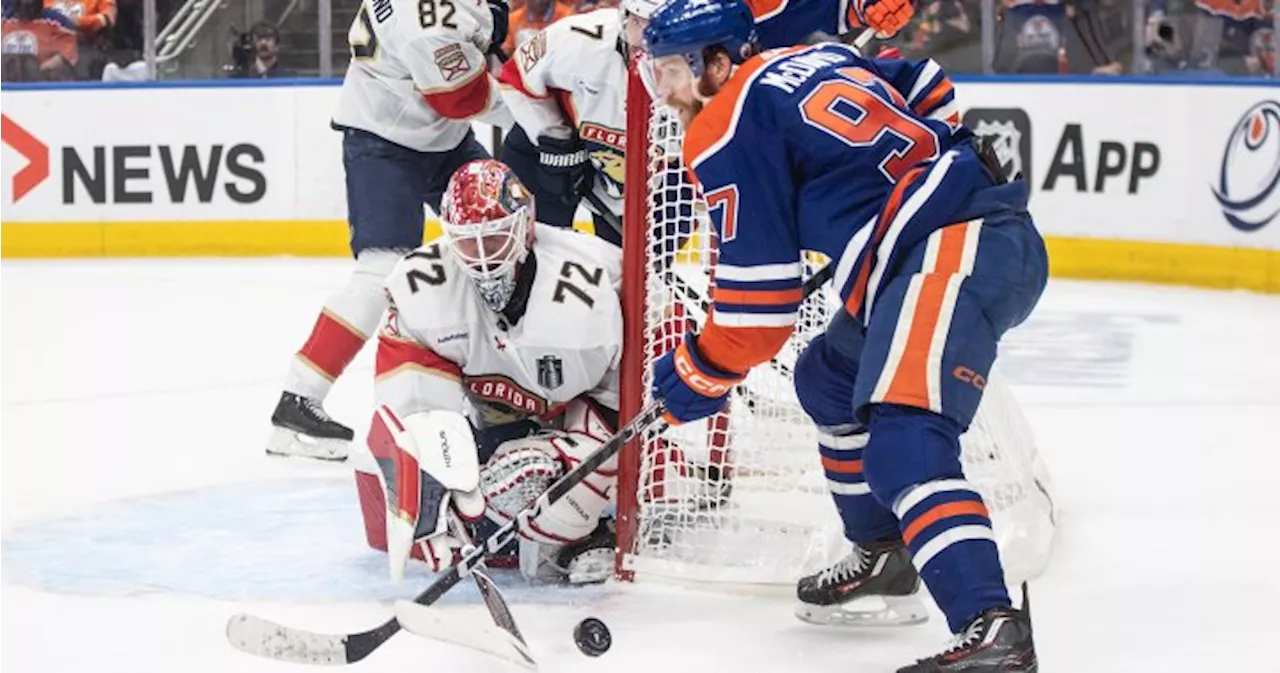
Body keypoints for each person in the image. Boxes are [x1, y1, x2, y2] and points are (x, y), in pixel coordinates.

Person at [642, 0, 1047, 670]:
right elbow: (925, 85)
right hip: (953, 236)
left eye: (673, 72)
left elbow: (757, 310)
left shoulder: (720, 121)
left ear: (718, 61)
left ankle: (993, 624)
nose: (665, 91)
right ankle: (884, 553)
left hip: (956, 248)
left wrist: (696, 374)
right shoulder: (816, 55)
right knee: (826, 378)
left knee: (906, 442)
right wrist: (890, 195)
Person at [265, 0, 513, 460]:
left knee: (505, 239)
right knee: (381, 273)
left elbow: (482, 25)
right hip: (384, 143)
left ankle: (506, 401)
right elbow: (463, 98)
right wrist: (542, 109)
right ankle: (298, 401)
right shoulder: (425, 21)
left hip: (441, 137)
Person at [357, 159, 624, 585]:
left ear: (525, 227)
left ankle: (592, 534)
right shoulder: (424, 289)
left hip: (584, 416)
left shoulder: (598, 283)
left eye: (496, 238)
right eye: (468, 244)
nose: (483, 259)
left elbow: (632, 407)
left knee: (534, 475)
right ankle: (509, 521)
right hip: (498, 419)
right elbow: (412, 411)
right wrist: (433, 485)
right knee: (378, 486)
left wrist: (570, 460)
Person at [496, 0, 661, 244]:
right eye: (636, 19)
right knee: (531, 249)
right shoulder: (576, 41)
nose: (645, 33)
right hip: (546, 158)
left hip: (636, 186)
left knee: (629, 271)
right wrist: (556, 139)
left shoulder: (701, 71)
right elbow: (515, 77)